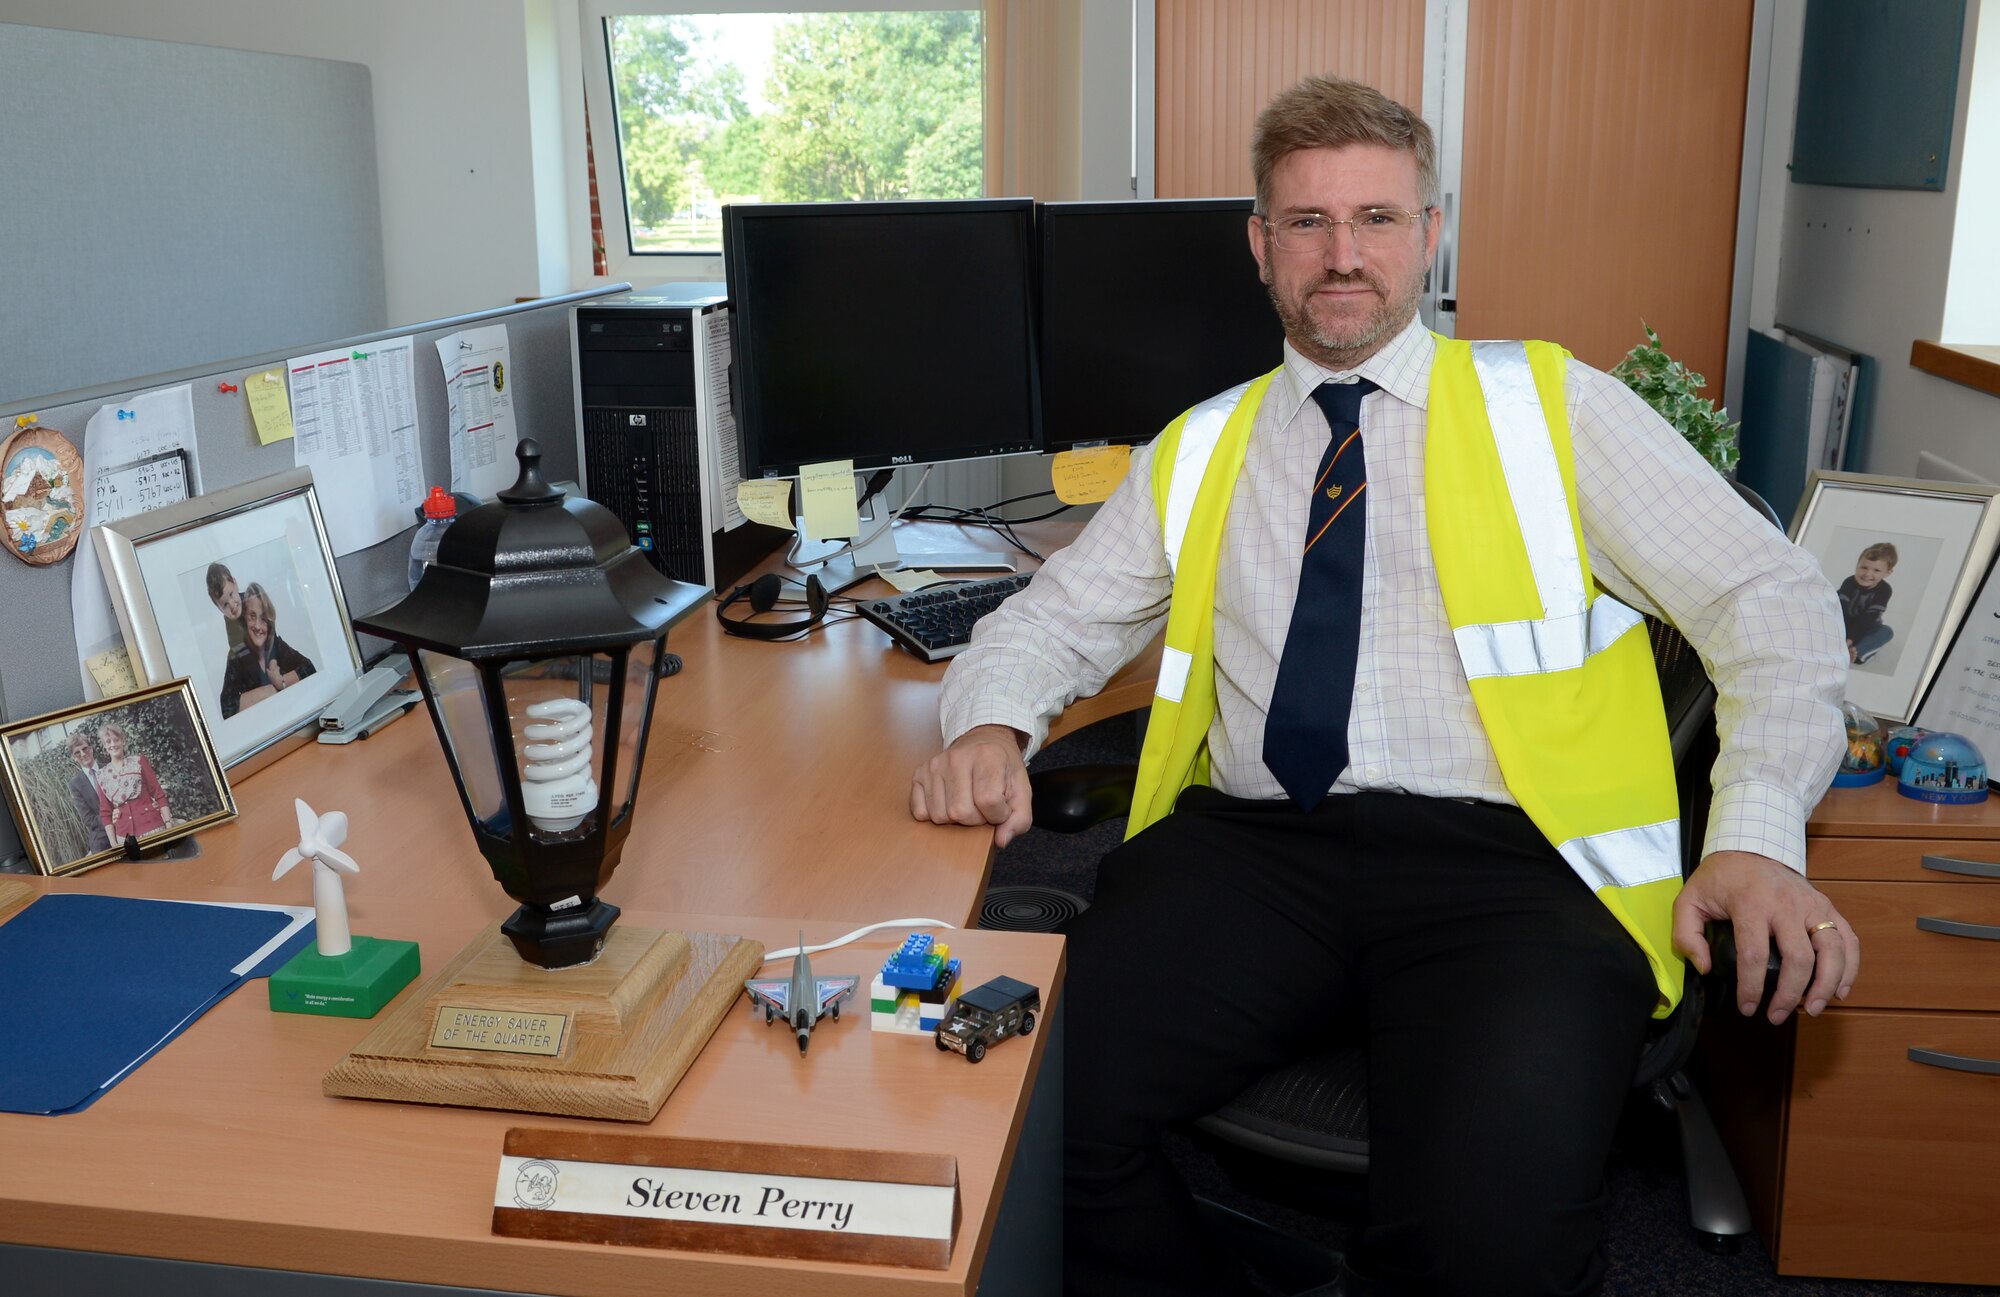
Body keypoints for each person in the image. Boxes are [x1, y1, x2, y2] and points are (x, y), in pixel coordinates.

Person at [909, 75, 1855, 1297]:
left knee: (1487, 1244)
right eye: (1305, 223)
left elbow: (1766, 601)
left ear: (1430, 232)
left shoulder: (1551, 407)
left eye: (1376, 219)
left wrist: (1759, 835)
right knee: (1019, 1129)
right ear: (1259, 247)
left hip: (1516, 868)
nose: (1340, 255)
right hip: (1256, 854)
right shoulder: (1197, 446)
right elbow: (1050, 619)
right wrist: (990, 717)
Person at [219, 582, 316, 718]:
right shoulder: (237, 655)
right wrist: (275, 688)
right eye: (252, 616)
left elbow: (309, 669)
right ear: (245, 619)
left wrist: (282, 682)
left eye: (263, 619)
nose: (258, 626)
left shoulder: (276, 645)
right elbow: (227, 708)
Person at [95, 721, 171, 843]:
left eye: (116, 740)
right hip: (125, 837)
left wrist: (168, 822)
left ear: (123, 741)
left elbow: (158, 792)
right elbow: (105, 813)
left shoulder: (138, 761)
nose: (113, 744)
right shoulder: (101, 775)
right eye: (108, 742)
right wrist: (114, 843)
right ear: (104, 745)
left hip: (152, 827)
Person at [1839, 541, 1897, 664]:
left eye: (1876, 570)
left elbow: (1869, 618)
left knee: (1886, 632)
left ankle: (1856, 652)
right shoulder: (1849, 582)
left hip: (1866, 627)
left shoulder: (1884, 590)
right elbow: (1840, 609)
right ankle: (1840, 647)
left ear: (1887, 573)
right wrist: (1842, 636)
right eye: (1864, 567)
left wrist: (1850, 641)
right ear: (1857, 565)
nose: (1867, 574)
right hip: (1843, 625)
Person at [65, 730, 112, 855]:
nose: (83, 754)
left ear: (91, 749)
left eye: (85, 749)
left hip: (125, 825)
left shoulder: (109, 769)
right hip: (101, 835)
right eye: (77, 753)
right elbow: (88, 819)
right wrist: (111, 821)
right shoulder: (75, 784)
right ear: (74, 758)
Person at [206, 561, 247, 652]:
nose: (232, 605)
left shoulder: (251, 600)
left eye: (231, 594)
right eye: (225, 604)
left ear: (235, 584)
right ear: (219, 608)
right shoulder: (230, 623)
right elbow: (236, 646)